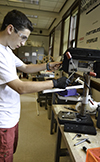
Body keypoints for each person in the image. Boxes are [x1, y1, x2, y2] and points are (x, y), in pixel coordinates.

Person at [0, 10, 69, 162]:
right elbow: (20, 87)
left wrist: (49, 65)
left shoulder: (7, 50)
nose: (23, 43)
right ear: (10, 29)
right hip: (3, 120)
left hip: (11, 116)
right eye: (23, 37)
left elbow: (25, 67)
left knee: (9, 153)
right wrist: (54, 83)